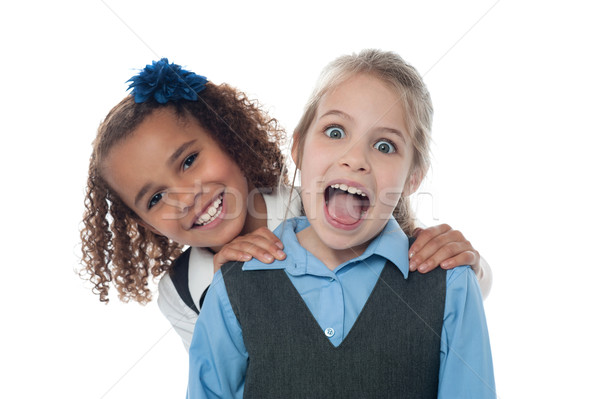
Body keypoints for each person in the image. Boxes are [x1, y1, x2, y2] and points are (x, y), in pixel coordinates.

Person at [80, 58, 493, 353]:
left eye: (189, 161)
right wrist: (235, 297)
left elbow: (423, 290)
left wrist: (468, 264)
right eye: (156, 198)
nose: (187, 196)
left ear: (227, 136)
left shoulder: (319, 206)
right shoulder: (183, 292)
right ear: (145, 223)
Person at [188, 49, 495, 398]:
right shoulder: (233, 287)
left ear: (413, 178)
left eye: (384, 145)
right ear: (299, 147)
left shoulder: (451, 284)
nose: (354, 159)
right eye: (335, 131)